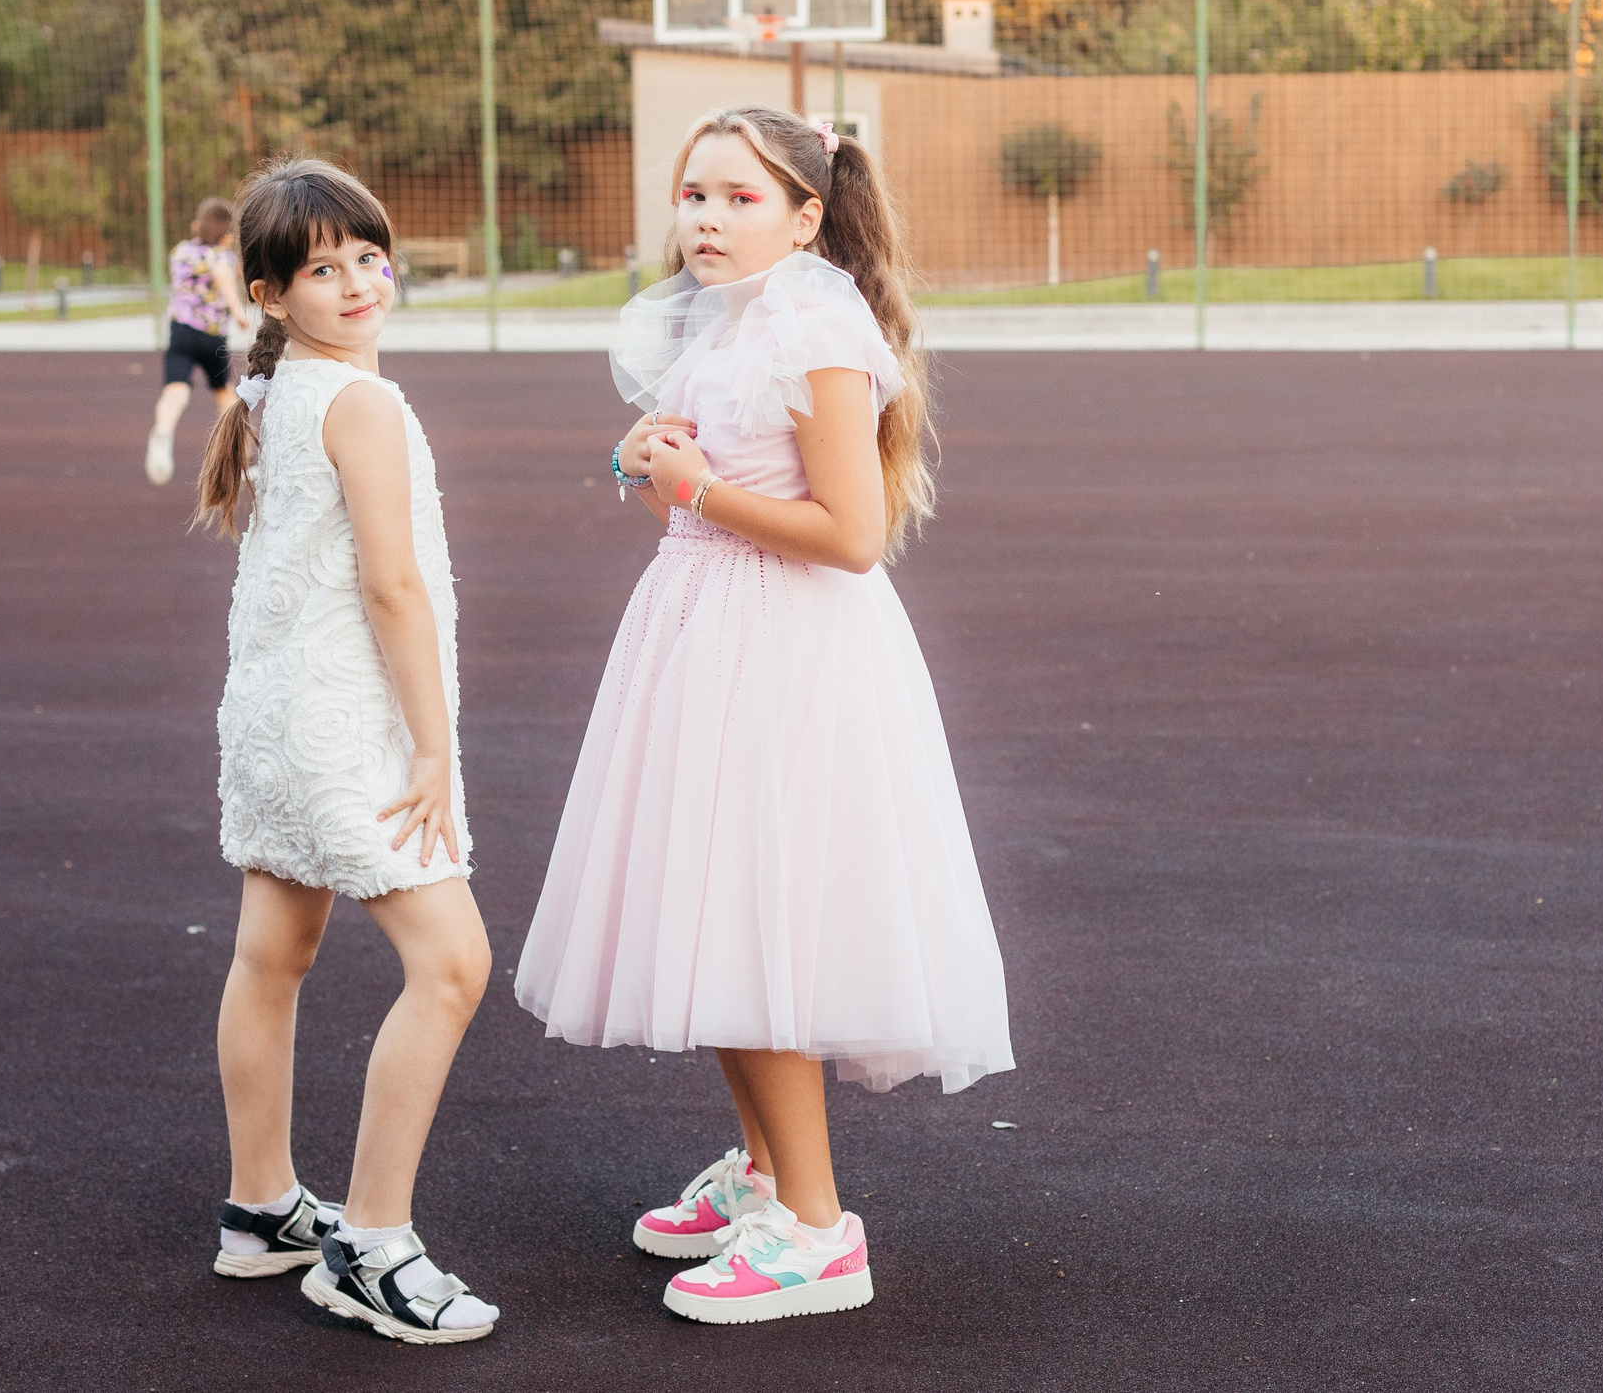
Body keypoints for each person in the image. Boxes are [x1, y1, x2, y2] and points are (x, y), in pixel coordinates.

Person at [514, 106, 1015, 1325]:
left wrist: (694, 484)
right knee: (714, 912)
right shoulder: (718, 319)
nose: (705, 219)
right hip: (704, 633)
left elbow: (851, 537)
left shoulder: (813, 325)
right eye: (693, 195)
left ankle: (816, 1229)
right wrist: (653, 469)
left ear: (805, 215)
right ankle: (766, 1175)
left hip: (786, 650)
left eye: (740, 199)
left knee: (758, 916)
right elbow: (693, 502)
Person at [193, 157, 497, 1346]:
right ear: (272, 295)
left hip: (270, 717)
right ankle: (371, 1243)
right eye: (325, 270)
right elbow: (393, 584)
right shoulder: (360, 402)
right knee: (453, 964)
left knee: (273, 952)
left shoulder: (273, 395)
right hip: (340, 724)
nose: (361, 282)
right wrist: (433, 747)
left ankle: (262, 1208)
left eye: (370, 257)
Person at [146, 197, 251, 487]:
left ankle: (164, 429)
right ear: (228, 236)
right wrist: (239, 311)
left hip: (181, 332)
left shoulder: (181, 252)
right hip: (212, 338)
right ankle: (241, 460)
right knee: (225, 396)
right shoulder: (223, 258)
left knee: (175, 389)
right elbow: (223, 276)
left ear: (196, 226)